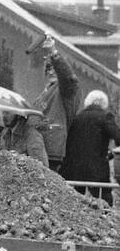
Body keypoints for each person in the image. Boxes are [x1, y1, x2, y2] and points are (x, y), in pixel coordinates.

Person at [61, 90, 120, 204]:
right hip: (96, 167)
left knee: (76, 202)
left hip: (74, 167)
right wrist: (111, 153)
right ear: (104, 103)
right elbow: (118, 137)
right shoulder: (105, 117)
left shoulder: (77, 118)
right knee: (104, 200)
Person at [31, 34, 79, 174]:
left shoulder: (65, 90)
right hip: (36, 146)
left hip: (51, 150)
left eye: (53, 67)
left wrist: (53, 52)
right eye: (47, 68)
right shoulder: (44, 93)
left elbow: (69, 78)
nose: (50, 71)